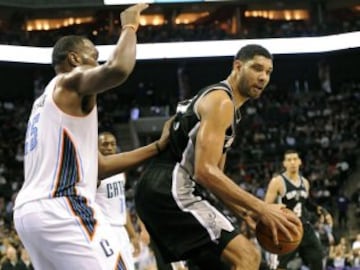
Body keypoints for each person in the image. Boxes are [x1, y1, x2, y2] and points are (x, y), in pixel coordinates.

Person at [12, 4, 161, 270]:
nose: (98, 63)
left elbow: (100, 167)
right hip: (63, 205)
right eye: (94, 56)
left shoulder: (43, 105)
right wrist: (129, 26)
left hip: (29, 214)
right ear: (74, 59)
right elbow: (119, 69)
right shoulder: (70, 80)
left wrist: (157, 147)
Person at [134, 44, 301, 270]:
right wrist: (261, 208)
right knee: (248, 258)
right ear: (237, 66)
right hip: (171, 189)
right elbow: (205, 171)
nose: (263, 77)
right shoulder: (222, 101)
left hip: (157, 189)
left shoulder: (216, 99)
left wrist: (242, 212)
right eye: (257, 68)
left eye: (268, 72)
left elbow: (215, 177)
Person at [264, 149, 332, 270]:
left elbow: (307, 203)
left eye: (295, 159)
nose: (292, 162)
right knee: (280, 266)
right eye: (289, 160)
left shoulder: (305, 182)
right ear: (284, 163)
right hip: (287, 228)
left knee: (318, 259)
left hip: (304, 227)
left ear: (300, 162)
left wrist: (323, 211)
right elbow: (266, 206)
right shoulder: (277, 182)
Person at [96, 131, 140, 270]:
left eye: (112, 144)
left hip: (121, 230)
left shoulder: (120, 172)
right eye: (104, 144)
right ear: (96, 148)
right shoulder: (93, 172)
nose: (109, 147)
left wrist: (132, 235)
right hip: (104, 229)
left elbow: (121, 205)